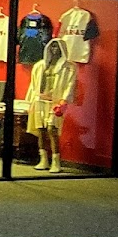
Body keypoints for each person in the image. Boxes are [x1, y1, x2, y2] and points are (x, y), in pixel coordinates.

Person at [26, 38, 77, 173]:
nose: (54, 50)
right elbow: (33, 84)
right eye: (52, 47)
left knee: (52, 130)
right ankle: (43, 159)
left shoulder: (69, 67)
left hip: (55, 102)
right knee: (41, 130)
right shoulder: (40, 65)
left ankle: (56, 161)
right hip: (40, 100)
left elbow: (70, 85)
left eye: (57, 47)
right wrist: (30, 102)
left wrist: (64, 101)